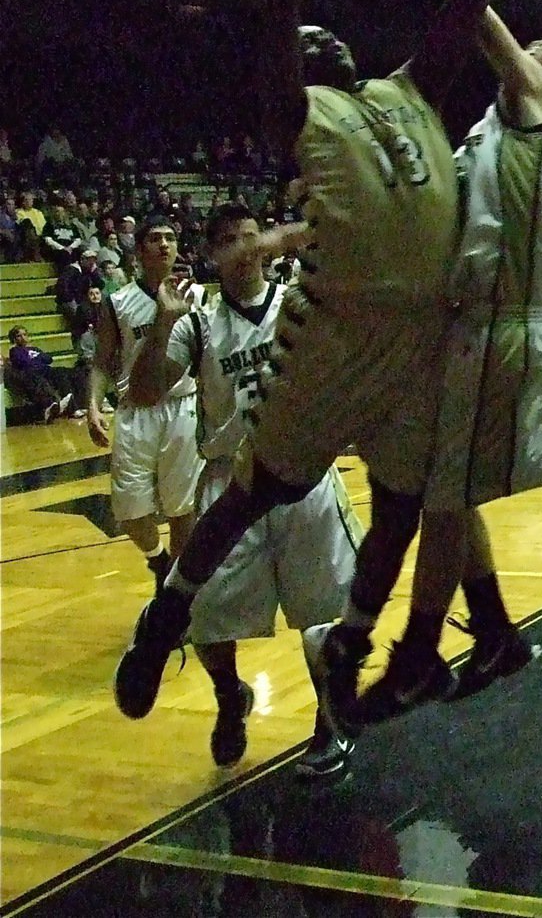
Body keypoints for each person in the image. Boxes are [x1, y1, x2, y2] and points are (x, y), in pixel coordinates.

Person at [112, 0, 489, 724]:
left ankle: (353, 640)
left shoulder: (406, 91)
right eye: (305, 37)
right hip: (335, 331)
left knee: (401, 503)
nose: (316, 36)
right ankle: (166, 617)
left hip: (415, 339)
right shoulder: (300, 114)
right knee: (255, 490)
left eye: (326, 33)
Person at [327, 0, 542, 729]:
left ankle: (415, 658)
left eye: (533, 50)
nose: (518, 52)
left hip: (500, 330)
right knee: (455, 490)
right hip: (472, 329)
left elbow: (473, 0)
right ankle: (492, 630)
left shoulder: (538, 108)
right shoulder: (497, 128)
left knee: (444, 502)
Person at [127, 204, 360, 779]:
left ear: (266, 245)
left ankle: (329, 721)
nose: (244, 248)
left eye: (251, 237)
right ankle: (230, 695)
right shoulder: (194, 321)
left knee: (323, 612)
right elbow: (144, 391)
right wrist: (161, 323)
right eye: (229, 240)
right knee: (207, 619)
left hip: (303, 475)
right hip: (231, 481)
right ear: (213, 253)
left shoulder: (297, 302)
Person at [88, 216, 207, 591]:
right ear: (139, 251)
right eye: (154, 239)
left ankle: (176, 592)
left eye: (170, 238)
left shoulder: (198, 296)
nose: (164, 245)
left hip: (183, 407)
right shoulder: (119, 301)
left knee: (181, 509)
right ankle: (159, 560)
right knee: (128, 512)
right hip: (135, 412)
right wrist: (92, 405)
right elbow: (103, 361)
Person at [3, 326, 78, 422]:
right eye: (19, 336)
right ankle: (50, 406)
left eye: (24, 334)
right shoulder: (15, 351)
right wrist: (38, 358)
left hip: (46, 370)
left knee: (61, 372)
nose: (23, 337)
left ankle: (70, 404)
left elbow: (48, 359)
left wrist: (35, 359)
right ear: (14, 339)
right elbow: (24, 363)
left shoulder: (34, 348)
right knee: (37, 379)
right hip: (32, 373)